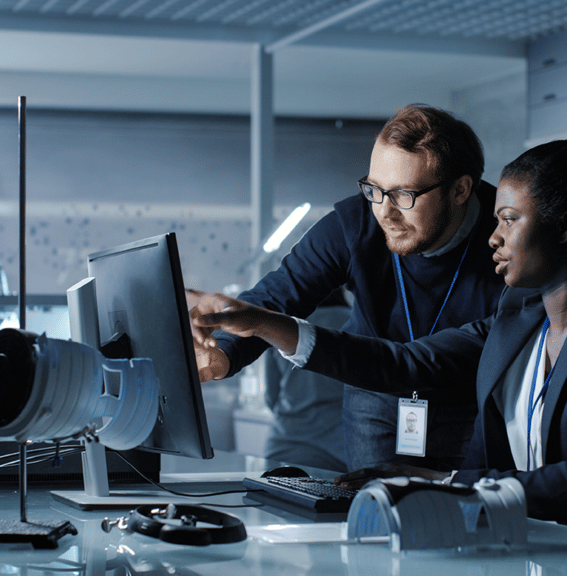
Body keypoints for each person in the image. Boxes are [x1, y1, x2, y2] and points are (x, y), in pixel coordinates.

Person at [190, 116, 567, 538]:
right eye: (376, 190)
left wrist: (443, 482)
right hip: (555, 536)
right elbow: (404, 363)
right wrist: (255, 327)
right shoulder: (522, 319)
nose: (494, 235)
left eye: (508, 220)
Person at [195, 104, 506, 472]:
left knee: (464, 519)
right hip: (373, 395)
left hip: (468, 398)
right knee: (374, 513)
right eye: (374, 189)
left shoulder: (507, 235)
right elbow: (275, 297)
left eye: (403, 195)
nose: (384, 212)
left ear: (460, 190)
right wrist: (223, 356)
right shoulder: (355, 221)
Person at [263, 289, 350, 471]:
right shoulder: (353, 321)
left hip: (285, 443)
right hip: (340, 450)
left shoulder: (282, 326)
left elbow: (271, 397)